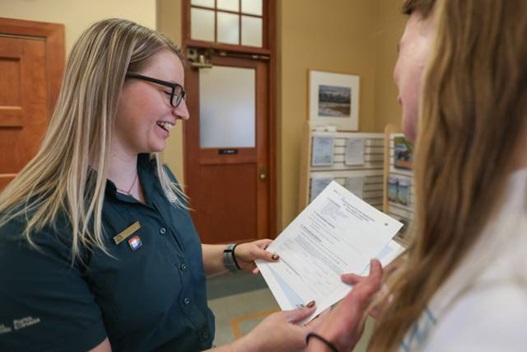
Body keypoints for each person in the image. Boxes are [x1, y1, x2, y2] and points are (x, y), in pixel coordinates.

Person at [0, 18, 318, 352]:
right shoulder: (32, 235)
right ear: (108, 83)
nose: (183, 113)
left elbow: (169, 256)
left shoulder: (161, 181)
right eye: (171, 93)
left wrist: (232, 255)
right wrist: (256, 346)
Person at [307, 0, 527, 351]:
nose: (395, 77)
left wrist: (323, 344)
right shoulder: (487, 229)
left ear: (451, 48)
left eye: (400, 48)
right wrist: (416, 308)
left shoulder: (500, 306)